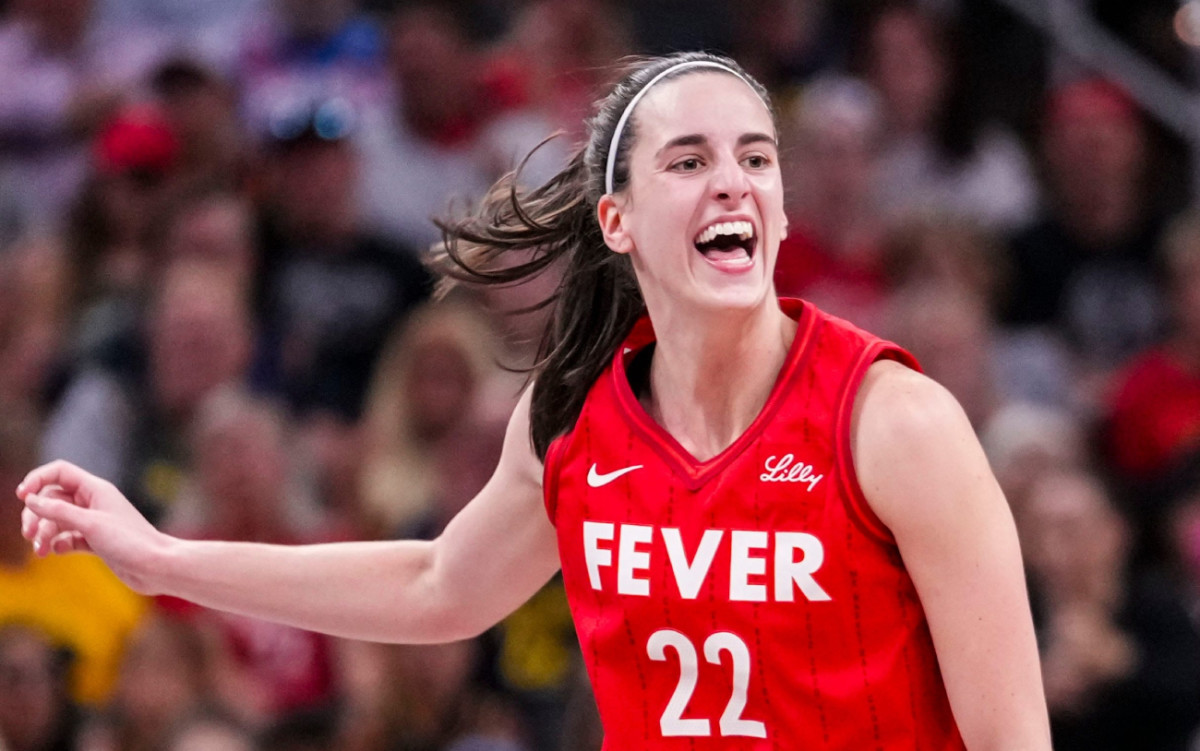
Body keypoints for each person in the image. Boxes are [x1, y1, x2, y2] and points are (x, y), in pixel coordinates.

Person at [17, 51, 1050, 749]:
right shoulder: (574, 418)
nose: (734, 182)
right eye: (689, 161)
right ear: (618, 219)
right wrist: (158, 557)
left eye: (757, 159)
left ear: (781, 209)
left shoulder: (894, 423)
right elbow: (435, 585)